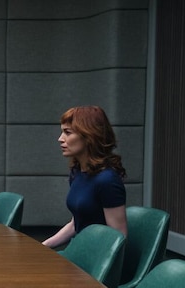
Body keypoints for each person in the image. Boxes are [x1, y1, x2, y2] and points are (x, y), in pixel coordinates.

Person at [42, 105, 127, 249]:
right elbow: (77, 223)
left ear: (89, 136)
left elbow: (118, 237)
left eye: (67, 132)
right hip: (80, 251)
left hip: (95, 263)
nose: (60, 139)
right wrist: (43, 246)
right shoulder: (77, 173)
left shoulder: (107, 180)